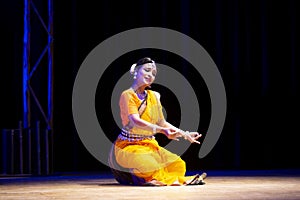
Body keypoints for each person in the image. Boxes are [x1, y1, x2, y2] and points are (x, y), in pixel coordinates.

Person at [108, 57, 207, 186]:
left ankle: (155, 179)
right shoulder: (127, 95)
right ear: (136, 71)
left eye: (153, 73)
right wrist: (161, 130)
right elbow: (135, 120)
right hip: (129, 146)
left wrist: (184, 133)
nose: (150, 75)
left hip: (149, 145)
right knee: (148, 164)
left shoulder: (154, 96)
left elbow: (162, 122)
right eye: (147, 70)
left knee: (177, 164)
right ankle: (141, 176)